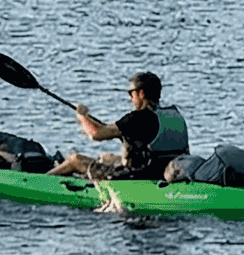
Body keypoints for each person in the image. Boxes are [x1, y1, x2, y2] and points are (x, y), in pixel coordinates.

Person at [47, 71, 186, 182]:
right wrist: (89, 118)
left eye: (131, 94)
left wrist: (82, 116)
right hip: (167, 172)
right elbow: (108, 129)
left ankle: (39, 181)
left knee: (75, 159)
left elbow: (96, 134)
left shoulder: (137, 118)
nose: (131, 99)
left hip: (137, 177)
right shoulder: (173, 115)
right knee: (107, 157)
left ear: (141, 93)